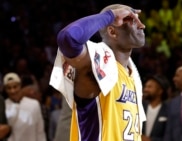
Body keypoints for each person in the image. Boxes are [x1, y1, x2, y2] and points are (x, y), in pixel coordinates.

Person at [49, 4, 146, 141]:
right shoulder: (98, 68)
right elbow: (68, 38)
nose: (142, 26)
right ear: (112, 32)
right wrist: (110, 16)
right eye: (131, 20)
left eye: (139, 20)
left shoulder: (132, 75)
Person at [3, 72, 46, 141]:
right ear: (5, 90)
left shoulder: (34, 104)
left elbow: (40, 131)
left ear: (20, 86)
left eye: (15, 87)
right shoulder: (3, 106)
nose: (12, 91)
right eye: (9, 88)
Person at [142, 75, 169, 141]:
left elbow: (169, 136)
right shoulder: (140, 107)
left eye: (150, 87)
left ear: (160, 91)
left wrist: (150, 140)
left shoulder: (168, 110)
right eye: (145, 86)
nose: (145, 89)